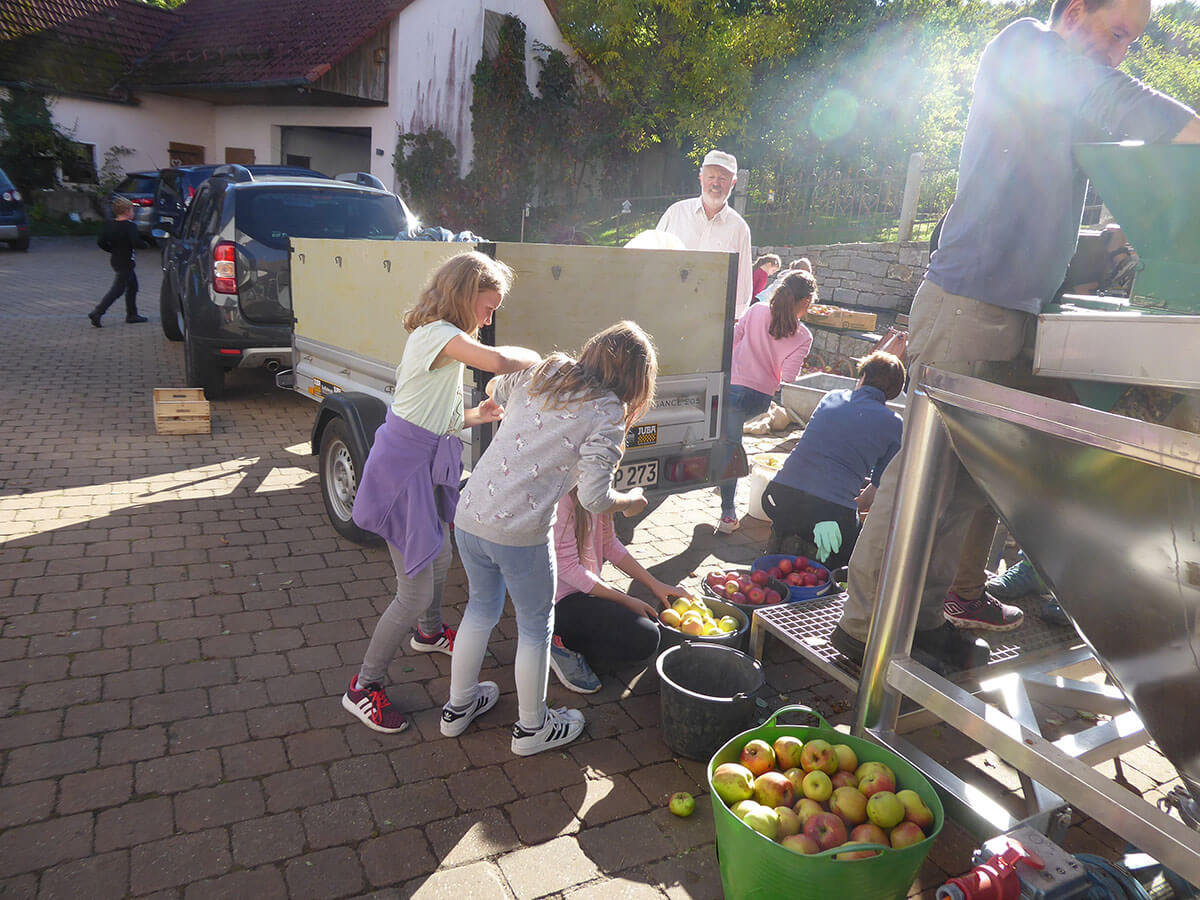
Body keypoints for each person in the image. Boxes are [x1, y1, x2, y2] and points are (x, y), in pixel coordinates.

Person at [830, 0, 1200, 673]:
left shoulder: (1068, 94)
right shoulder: (1024, 47)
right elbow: (1122, 104)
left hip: (1015, 312)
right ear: (1075, 11)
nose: (1122, 52)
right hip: (969, 303)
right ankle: (862, 628)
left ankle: (917, 616)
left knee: (972, 480)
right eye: (1117, 33)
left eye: (1133, 42)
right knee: (926, 474)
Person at [341, 251, 542, 734]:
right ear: (463, 295)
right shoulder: (436, 334)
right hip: (402, 471)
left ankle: (429, 633)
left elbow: (437, 415)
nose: (489, 318)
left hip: (426, 460)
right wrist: (539, 359)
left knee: (442, 556)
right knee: (412, 589)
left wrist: (477, 416)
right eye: (488, 307)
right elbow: (495, 361)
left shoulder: (445, 340)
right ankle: (363, 687)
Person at [444, 321, 657, 756]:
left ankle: (458, 707)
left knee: (480, 609)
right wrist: (631, 500)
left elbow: (497, 389)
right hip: (520, 533)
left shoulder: (547, 371)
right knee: (535, 627)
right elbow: (597, 499)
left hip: (469, 515)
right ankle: (532, 728)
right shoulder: (608, 410)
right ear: (637, 380)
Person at [762, 351, 905, 569]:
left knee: (806, 517)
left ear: (863, 377)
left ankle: (785, 533)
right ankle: (815, 557)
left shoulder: (832, 396)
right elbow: (878, 487)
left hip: (777, 496)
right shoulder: (895, 424)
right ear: (894, 392)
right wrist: (850, 509)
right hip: (830, 509)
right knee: (850, 551)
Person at [548, 489, 687, 693]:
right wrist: (625, 600)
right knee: (645, 638)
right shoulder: (562, 498)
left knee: (647, 633)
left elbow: (609, 542)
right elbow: (567, 568)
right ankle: (556, 641)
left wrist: (655, 584)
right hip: (556, 602)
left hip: (585, 592)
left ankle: (582, 637)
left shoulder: (598, 486)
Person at [716, 270, 815, 533]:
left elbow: (732, 340)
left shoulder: (756, 310)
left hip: (734, 389)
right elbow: (790, 376)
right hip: (760, 399)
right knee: (730, 440)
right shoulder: (804, 336)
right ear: (805, 302)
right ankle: (725, 477)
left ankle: (728, 512)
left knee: (731, 444)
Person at [655, 150, 754, 319]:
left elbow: (742, 283)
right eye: (711, 177)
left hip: (709, 320)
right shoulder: (675, 213)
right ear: (701, 178)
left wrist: (733, 323)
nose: (715, 183)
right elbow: (650, 259)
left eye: (722, 178)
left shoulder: (739, 228)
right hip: (666, 311)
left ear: (733, 182)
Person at [90, 196, 151, 327]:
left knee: (133, 286)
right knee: (118, 289)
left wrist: (111, 249)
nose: (133, 213)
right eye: (132, 210)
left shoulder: (110, 224)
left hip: (116, 259)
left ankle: (132, 314)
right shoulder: (130, 226)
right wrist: (145, 245)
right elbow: (135, 242)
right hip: (126, 261)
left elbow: (101, 242)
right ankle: (98, 311)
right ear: (127, 211)